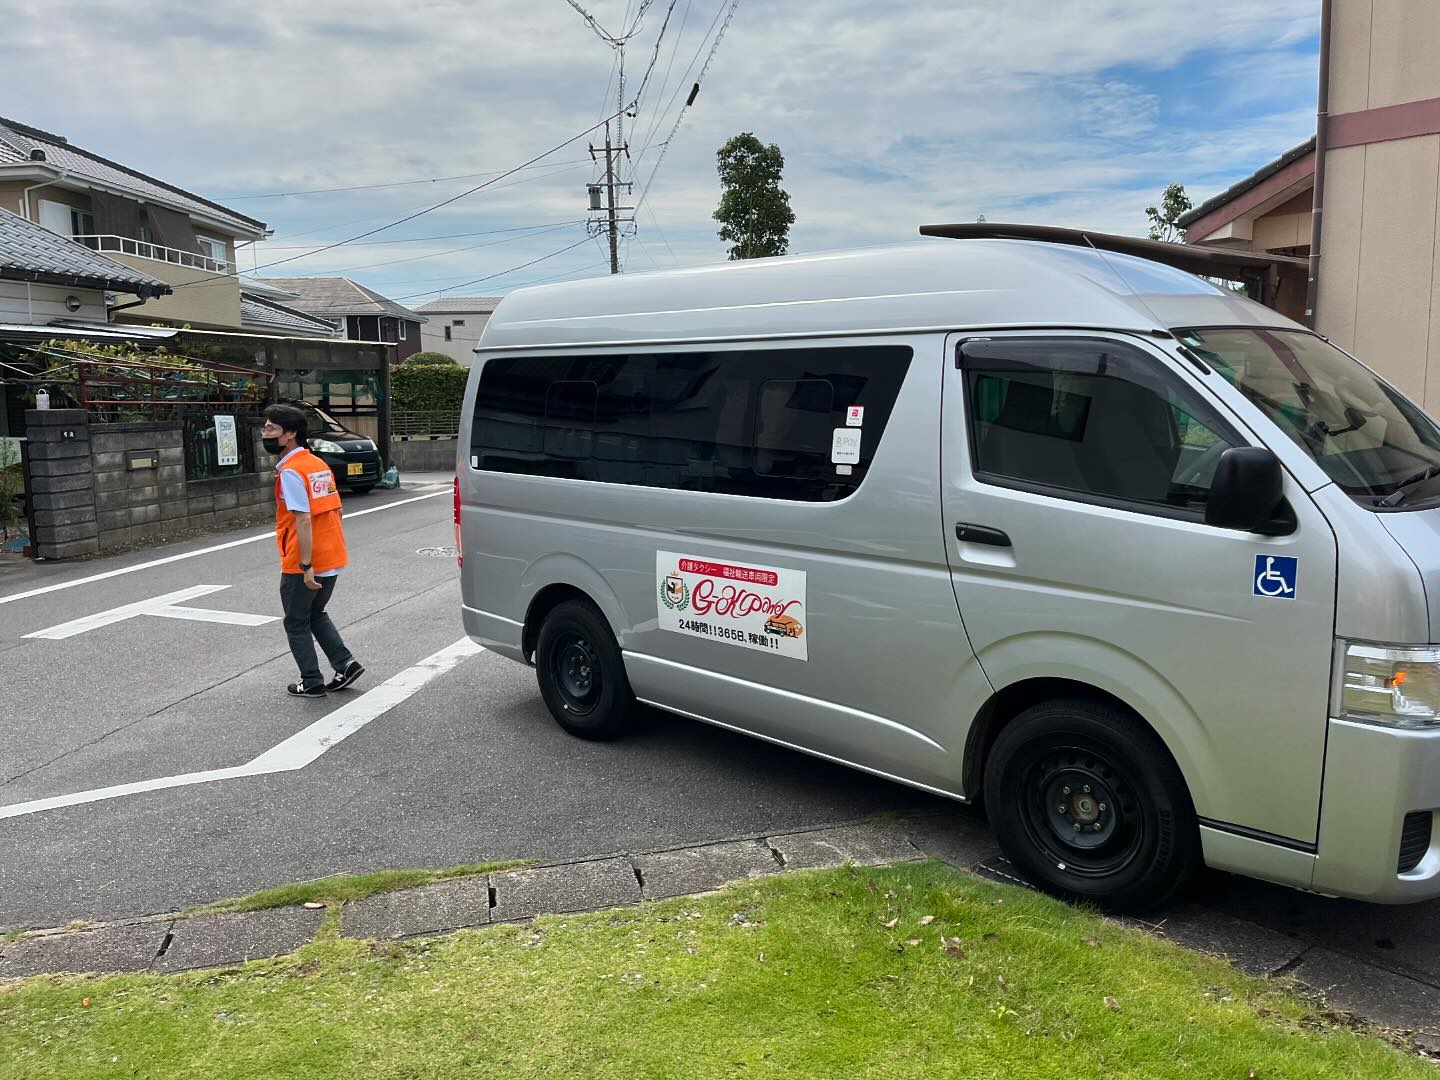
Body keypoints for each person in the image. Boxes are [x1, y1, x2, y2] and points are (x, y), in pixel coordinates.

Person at [261, 404, 365, 697]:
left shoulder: (292, 472)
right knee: (315, 612)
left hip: (304, 560)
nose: (265, 433)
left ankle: (312, 680)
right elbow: (337, 509)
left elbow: (303, 518)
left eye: (271, 428)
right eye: (265, 427)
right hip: (332, 554)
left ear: (290, 434)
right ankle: (345, 663)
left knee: (296, 621)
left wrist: (306, 566)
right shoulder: (318, 465)